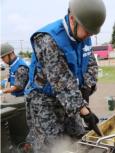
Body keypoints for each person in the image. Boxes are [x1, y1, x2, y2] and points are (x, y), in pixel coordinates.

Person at [25, 0, 106, 152]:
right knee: (52, 147)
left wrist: (86, 87)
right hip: (44, 101)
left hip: (70, 99)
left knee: (77, 138)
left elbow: (91, 64)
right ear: (72, 19)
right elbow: (60, 81)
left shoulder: (84, 34)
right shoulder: (48, 39)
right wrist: (84, 111)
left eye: (92, 32)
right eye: (87, 30)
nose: (90, 35)